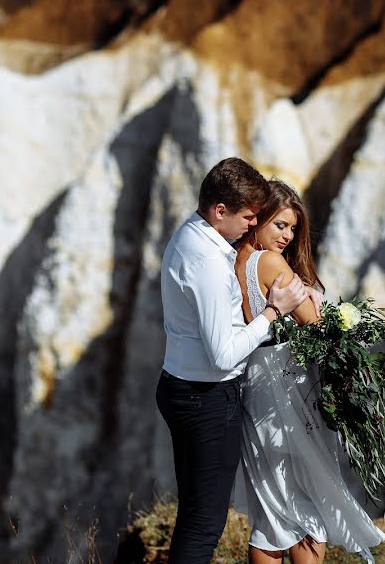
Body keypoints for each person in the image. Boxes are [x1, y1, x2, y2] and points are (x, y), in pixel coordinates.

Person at [156, 158, 309, 563]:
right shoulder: (207, 261)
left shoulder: (191, 237)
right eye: (248, 216)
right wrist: (273, 313)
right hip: (205, 397)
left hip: (180, 386)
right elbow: (222, 354)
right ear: (219, 210)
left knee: (194, 515)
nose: (251, 225)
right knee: (205, 523)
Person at [232, 180, 385, 564]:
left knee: (271, 510)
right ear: (259, 218)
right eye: (280, 225)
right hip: (284, 385)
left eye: (294, 228)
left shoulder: (238, 259)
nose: (287, 236)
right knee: (310, 504)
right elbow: (313, 323)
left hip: (255, 379)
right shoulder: (269, 262)